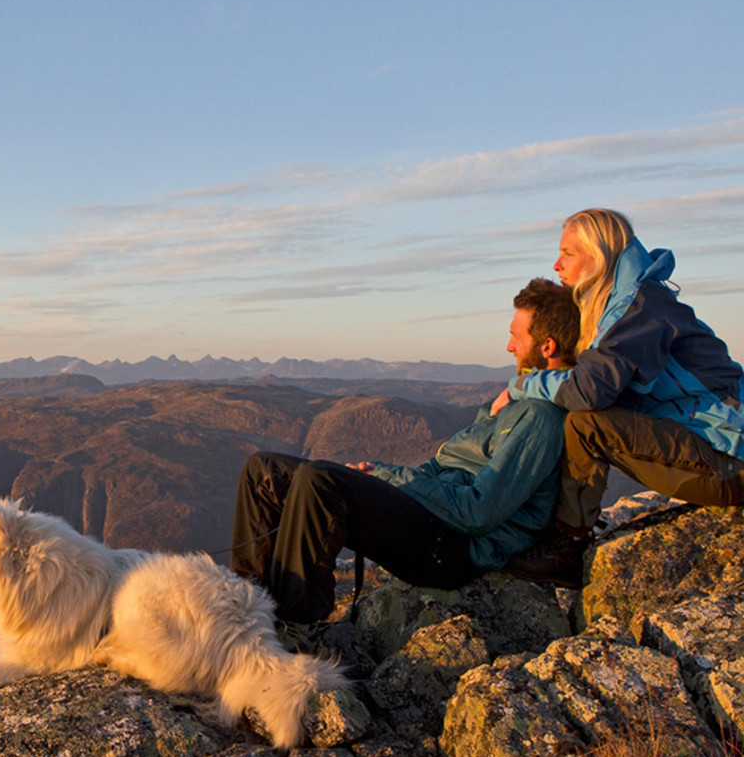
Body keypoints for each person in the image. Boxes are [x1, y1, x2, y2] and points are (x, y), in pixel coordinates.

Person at [229, 279, 579, 626]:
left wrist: (390, 477)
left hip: (451, 546)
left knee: (317, 481)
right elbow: (443, 466)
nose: (508, 346)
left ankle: (295, 626)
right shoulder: (513, 403)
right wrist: (385, 478)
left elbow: (478, 512)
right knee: (263, 470)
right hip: (430, 517)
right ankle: (245, 612)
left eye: (516, 336)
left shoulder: (540, 419)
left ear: (546, 346)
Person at [499, 207, 744, 585]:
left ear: (597, 256)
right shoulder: (628, 303)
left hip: (729, 459)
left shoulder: (636, 308)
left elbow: (586, 391)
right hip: (719, 449)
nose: (557, 264)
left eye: (568, 253)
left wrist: (520, 386)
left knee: (585, 424)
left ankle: (568, 545)